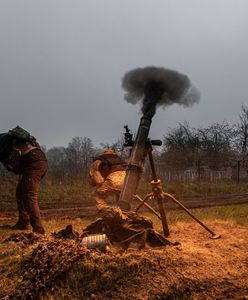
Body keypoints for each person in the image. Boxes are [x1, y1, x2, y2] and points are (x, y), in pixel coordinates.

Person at [0, 126, 48, 234]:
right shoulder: (7, 140)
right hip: (37, 160)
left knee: (29, 195)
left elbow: (12, 163)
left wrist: (14, 167)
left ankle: (38, 229)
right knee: (20, 192)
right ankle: (23, 222)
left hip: (34, 163)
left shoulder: (3, 143)